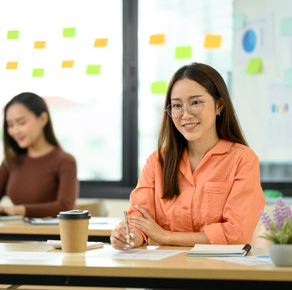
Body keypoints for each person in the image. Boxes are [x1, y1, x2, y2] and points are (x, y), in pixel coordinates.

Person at [111, 63, 265, 250]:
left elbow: (236, 234)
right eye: (177, 105)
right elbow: (139, 219)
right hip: (167, 270)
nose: (185, 114)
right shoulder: (157, 162)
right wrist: (130, 235)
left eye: (195, 102)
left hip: (220, 272)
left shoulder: (242, 160)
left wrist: (166, 236)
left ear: (219, 106)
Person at [0, 92, 78, 218]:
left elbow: (65, 207)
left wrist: (17, 210)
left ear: (43, 119)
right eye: (10, 125)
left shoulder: (65, 161)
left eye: (21, 122)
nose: (15, 131)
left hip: (50, 236)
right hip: (18, 234)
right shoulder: (11, 161)